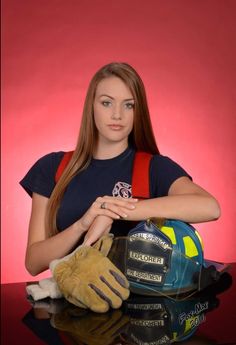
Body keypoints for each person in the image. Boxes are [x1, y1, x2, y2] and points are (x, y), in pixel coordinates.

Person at [20, 62, 221, 277]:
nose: (117, 115)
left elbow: (210, 207)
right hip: (70, 304)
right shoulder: (52, 167)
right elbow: (33, 262)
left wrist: (112, 211)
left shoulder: (154, 167)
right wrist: (82, 225)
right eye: (107, 103)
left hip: (141, 306)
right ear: (92, 107)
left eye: (129, 105)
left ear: (138, 111)